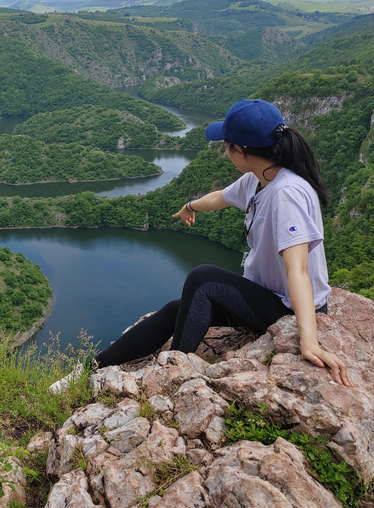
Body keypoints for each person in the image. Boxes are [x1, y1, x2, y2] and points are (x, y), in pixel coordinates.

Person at [51, 99, 352, 393]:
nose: (223, 150)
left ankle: (173, 371)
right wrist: (190, 205)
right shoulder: (260, 179)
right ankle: (90, 369)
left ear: (240, 150)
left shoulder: (286, 194)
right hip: (268, 299)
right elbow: (220, 197)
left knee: (203, 278)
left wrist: (308, 339)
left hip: (289, 310)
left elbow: (298, 270)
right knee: (174, 309)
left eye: (225, 144)